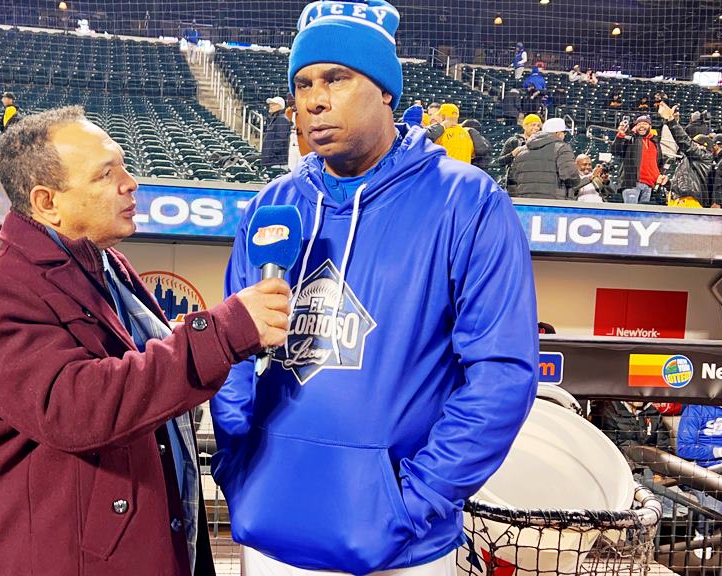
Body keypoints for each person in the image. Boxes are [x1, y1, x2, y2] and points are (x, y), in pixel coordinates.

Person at [211, 2, 539, 574]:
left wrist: (414, 503)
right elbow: (230, 354)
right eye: (303, 83)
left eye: (336, 78)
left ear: (386, 90)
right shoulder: (272, 205)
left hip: (402, 548)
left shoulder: (468, 202)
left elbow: (501, 375)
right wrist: (239, 464)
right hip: (270, 534)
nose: (313, 99)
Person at [0, 105, 292, 575]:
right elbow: (77, 407)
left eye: (124, 165)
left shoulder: (109, 266)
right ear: (47, 202)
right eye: (106, 174)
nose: (130, 182)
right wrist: (224, 332)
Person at [676, 404, 722, 562]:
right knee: (715, 501)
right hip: (706, 468)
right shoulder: (696, 408)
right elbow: (683, 448)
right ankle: (703, 535)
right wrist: (721, 451)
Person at [510, 117, 581, 200]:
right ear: (558, 133)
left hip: (525, 204)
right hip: (552, 203)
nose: (564, 136)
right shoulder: (562, 148)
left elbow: (512, 180)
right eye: (564, 133)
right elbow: (571, 176)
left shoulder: (522, 150)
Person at [657, 102, 710, 208]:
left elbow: (684, 141)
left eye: (695, 144)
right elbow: (684, 184)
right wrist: (668, 183)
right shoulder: (688, 160)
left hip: (691, 202)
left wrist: (671, 120)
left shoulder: (704, 156)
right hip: (678, 201)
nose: (693, 145)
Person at [612, 114, 665, 204]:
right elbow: (615, 150)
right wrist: (621, 134)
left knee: (642, 216)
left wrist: (659, 176)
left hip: (649, 185)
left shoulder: (655, 142)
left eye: (644, 123)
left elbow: (658, 164)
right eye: (639, 124)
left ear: (650, 126)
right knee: (631, 214)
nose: (641, 126)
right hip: (632, 184)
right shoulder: (630, 138)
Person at [495, 113, 542, 192]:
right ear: (524, 126)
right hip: (514, 186)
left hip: (534, 185)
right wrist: (512, 154)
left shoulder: (541, 143)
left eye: (538, 126)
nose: (536, 128)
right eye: (533, 125)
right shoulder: (513, 141)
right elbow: (499, 162)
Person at [261, 95, 292, 167]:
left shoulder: (282, 119)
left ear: (280, 106)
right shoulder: (275, 119)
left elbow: (280, 140)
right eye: (270, 104)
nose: (270, 106)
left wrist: (272, 156)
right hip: (271, 161)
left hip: (276, 162)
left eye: (273, 104)